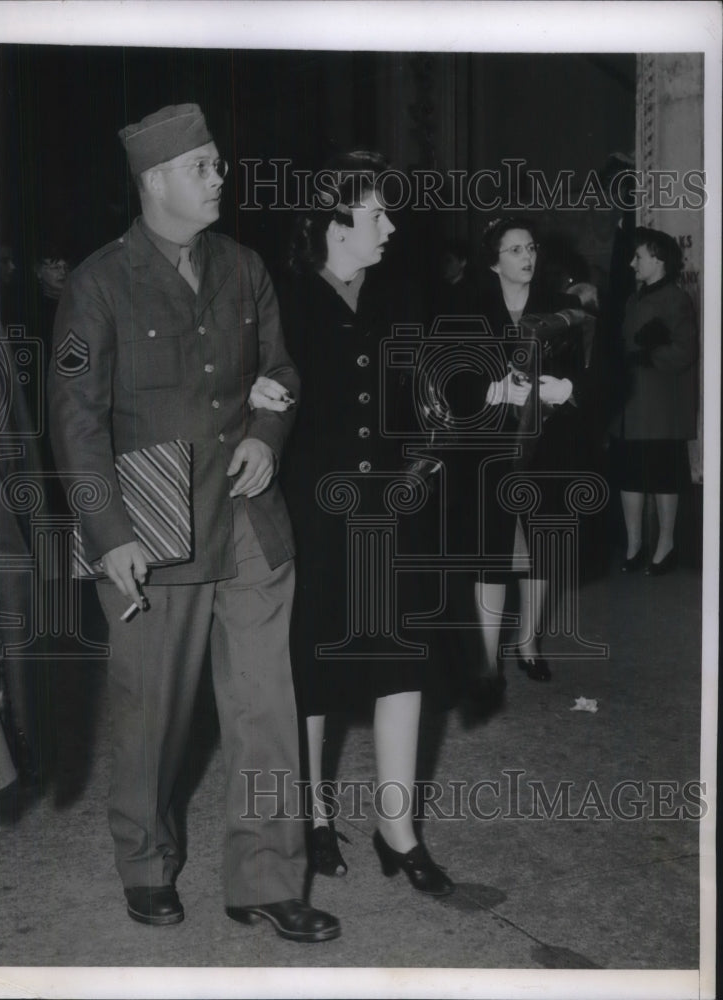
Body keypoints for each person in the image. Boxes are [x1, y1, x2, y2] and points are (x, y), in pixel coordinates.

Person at [48, 104, 340, 942]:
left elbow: (279, 370)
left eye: (217, 163)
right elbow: (75, 420)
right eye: (203, 166)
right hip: (151, 526)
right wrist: (110, 538)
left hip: (248, 520)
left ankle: (268, 878)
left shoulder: (245, 268)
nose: (220, 177)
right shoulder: (97, 283)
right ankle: (145, 864)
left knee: (265, 711)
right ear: (155, 181)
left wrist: (266, 434)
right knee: (152, 712)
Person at [258, 152, 453, 896]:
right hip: (312, 508)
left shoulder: (403, 296)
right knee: (310, 666)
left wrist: (433, 452)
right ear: (336, 223)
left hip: (393, 511)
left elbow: (431, 394)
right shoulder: (282, 300)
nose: (390, 226)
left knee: (403, 662)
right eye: (377, 213)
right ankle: (310, 817)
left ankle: (396, 828)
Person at [456, 217, 595, 685]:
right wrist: (493, 391)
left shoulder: (563, 308)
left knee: (541, 546)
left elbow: (595, 370)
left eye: (530, 247)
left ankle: (528, 643)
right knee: (490, 548)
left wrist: (567, 385)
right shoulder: (468, 307)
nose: (527, 257)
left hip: (549, 445)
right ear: (494, 262)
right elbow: (449, 374)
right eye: (514, 250)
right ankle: (487, 657)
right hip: (490, 445)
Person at [611, 227, 698, 575]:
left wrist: (652, 353)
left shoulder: (676, 298)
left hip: (662, 407)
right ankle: (634, 546)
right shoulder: (635, 299)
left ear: (659, 259)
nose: (633, 264)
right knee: (630, 475)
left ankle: (666, 544)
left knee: (664, 477)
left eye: (639, 257)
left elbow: (686, 351)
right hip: (632, 405)